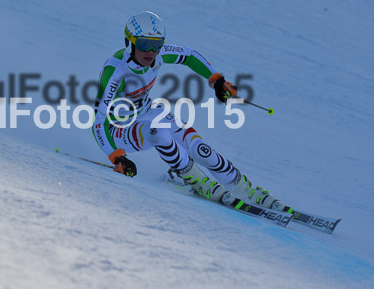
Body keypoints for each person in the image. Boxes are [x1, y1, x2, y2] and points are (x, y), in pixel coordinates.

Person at [92, 11, 283, 210]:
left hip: (147, 112)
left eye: (157, 45)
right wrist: (117, 157)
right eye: (143, 44)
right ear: (129, 42)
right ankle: (198, 181)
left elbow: (190, 56)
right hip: (118, 128)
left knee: (198, 147)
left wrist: (217, 80)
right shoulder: (115, 71)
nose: (151, 51)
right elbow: (99, 121)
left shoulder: (158, 55)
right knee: (157, 132)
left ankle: (244, 188)